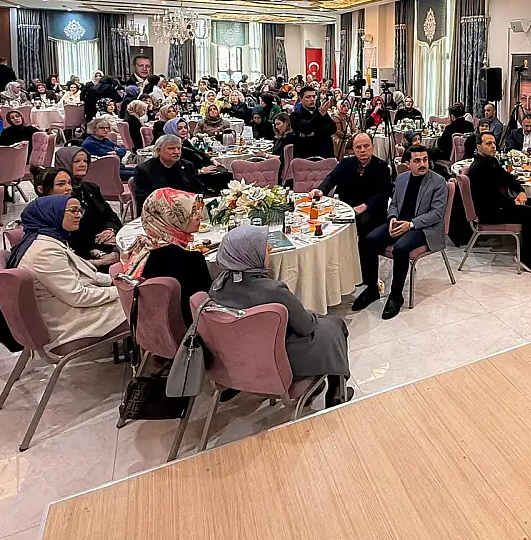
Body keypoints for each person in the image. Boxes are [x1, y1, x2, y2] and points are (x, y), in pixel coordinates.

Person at [210, 226, 353, 407]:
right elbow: (306, 327)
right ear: (250, 255)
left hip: (237, 358)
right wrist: (313, 315)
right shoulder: (273, 291)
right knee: (334, 325)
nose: (269, 250)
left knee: (325, 325)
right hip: (277, 359)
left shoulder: (218, 286)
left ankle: (322, 388)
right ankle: (337, 392)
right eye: (265, 248)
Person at [7, 195, 125, 351]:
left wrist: (116, 280)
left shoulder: (49, 238)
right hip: (68, 323)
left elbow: (82, 273)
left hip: (68, 307)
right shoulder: (44, 251)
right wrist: (121, 291)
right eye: (73, 211)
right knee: (145, 304)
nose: (79, 215)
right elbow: (78, 297)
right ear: (52, 213)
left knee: (140, 297)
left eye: (80, 210)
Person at [354, 144, 448, 319]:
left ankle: (396, 295)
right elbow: (394, 204)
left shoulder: (438, 182)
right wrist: (392, 217)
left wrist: (410, 224)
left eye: (425, 160)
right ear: (408, 163)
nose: (423, 164)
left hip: (423, 228)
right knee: (369, 240)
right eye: (417, 161)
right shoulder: (402, 178)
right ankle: (372, 288)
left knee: (401, 248)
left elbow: (436, 214)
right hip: (399, 223)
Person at [120, 188, 212, 325]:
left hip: (153, 326)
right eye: (192, 212)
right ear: (171, 218)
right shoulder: (190, 259)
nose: (200, 216)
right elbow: (206, 304)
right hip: (190, 327)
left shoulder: (142, 250)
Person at [466, 131, 531, 271]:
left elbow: (507, 178)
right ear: (478, 146)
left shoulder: (491, 161)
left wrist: (520, 191)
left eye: (494, 143)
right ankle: (525, 257)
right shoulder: (478, 168)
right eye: (488, 143)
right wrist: (513, 202)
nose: (493, 146)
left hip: (499, 205)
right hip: (489, 212)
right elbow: (490, 197)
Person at [311, 132, 393, 238]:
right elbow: (331, 178)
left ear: (372, 147)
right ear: (353, 149)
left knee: (361, 223)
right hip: (346, 207)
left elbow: (383, 194)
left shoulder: (382, 167)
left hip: (370, 210)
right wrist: (320, 190)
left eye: (366, 146)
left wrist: (365, 206)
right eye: (358, 147)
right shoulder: (345, 163)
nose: (362, 150)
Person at [64, 150, 123, 267]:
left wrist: (110, 229)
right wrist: (95, 240)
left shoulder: (91, 188)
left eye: (85, 161)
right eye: (77, 161)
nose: (83, 164)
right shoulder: (62, 194)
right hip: (80, 251)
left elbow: (110, 215)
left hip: (105, 241)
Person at [131, 134, 204, 215]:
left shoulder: (187, 166)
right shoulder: (144, 170)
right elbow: (145, 200)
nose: (177, 152)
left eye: (179, 148)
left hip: (187, 210)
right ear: (158, 151)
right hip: (158, 213)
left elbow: (198, 190)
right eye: (171, 148)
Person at [289, 86, 335, 158]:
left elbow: (333, 128)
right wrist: (320, 115)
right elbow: (306, 128)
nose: (312, 99)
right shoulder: (296, 115)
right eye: (308, 97)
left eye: (313, 96)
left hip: (325, 154)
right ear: (301, 98)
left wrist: (315, 133)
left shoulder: (320, 112)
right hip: (305, 155)